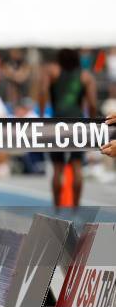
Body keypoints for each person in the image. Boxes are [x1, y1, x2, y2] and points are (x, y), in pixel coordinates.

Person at [39, 49, 97, 207]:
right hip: (77, 122)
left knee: (58, 168)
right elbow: (92, 103)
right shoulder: (86, 76)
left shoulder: (52, 71)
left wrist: (43, 114)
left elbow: (42, 91)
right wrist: (92, 122)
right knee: (77, 166)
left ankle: (57, 208)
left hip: (57, 121)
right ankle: (76, 207)